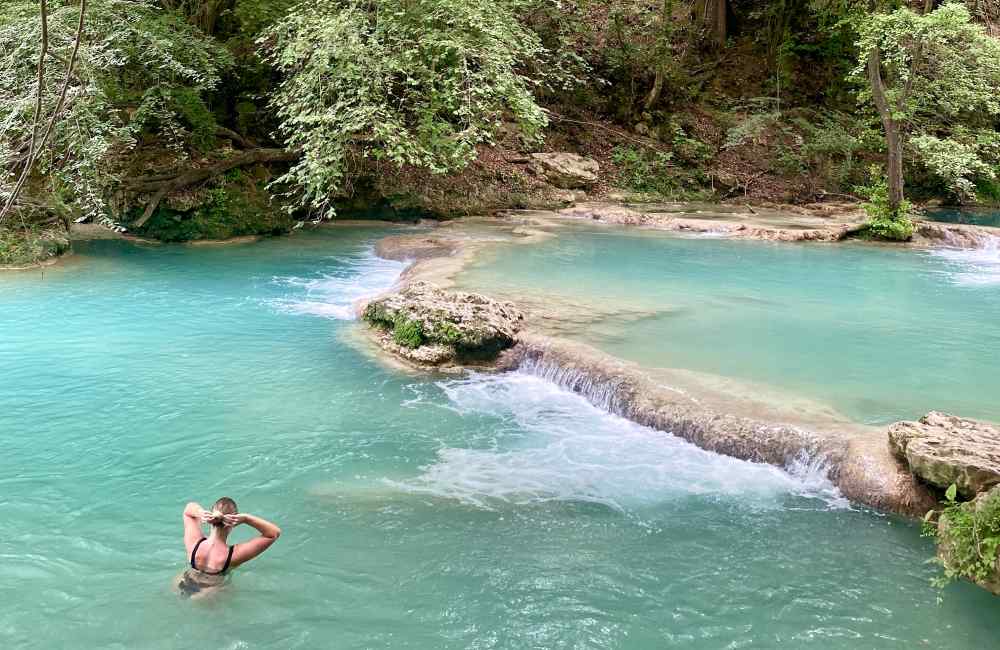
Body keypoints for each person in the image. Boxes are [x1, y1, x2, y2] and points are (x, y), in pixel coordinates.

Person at [177, 497, 281, 598]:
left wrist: (201, 512)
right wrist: (246, 518)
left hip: (182, 583)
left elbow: (188, 510)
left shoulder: (194, 543)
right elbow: (273, 533)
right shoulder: (233, 556)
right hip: (207, 593)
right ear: (233, 523)